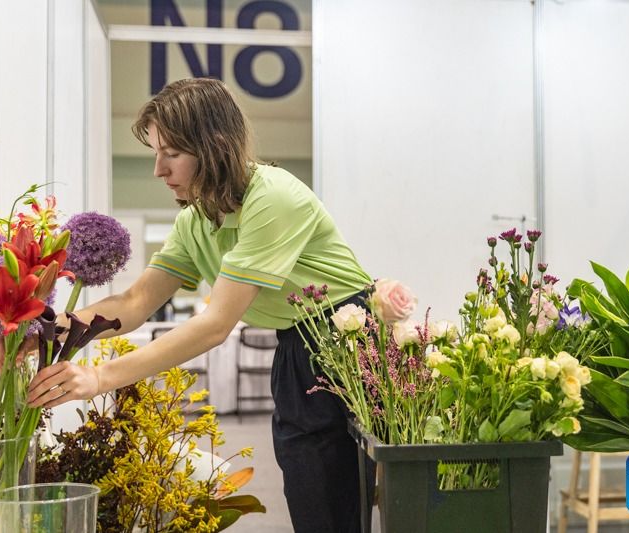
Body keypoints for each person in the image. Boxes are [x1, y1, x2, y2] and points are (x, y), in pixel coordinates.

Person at [25, 77, 374, 533]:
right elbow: (135, 302)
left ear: (214, 147)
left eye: (171, 154)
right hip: (298, 343)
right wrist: (49, 328)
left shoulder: (273, 196)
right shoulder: (195, 221)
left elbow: (215, 324)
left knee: (358, 491)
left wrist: (99, 376)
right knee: (313, 490)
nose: (158, 170)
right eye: (156, 153)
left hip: (350, 338)